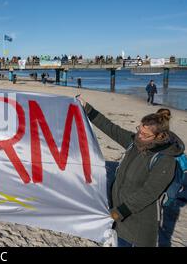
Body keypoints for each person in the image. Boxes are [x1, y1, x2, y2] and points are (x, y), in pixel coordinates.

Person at [77, 96, 184, 247]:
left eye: (144, 135)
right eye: (139, 130)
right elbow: (111, 128)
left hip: (138, 226)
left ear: (160, 136)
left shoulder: (165, 160)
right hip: (118, 219)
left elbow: (149, 193)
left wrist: (118, 213)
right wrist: (87, 108)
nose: (139, 136)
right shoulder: (134, 143)